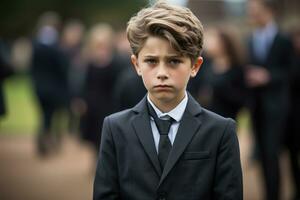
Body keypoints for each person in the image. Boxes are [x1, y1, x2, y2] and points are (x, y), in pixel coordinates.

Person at [93, 2, 243, 199]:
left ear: (195, 66)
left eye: (174, 61)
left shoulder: (221, 131)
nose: (162, 73)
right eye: (151, 61)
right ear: (136, 64)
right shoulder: (115, 128)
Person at [245, 0, 292, 199]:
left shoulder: (283, 39)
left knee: (273, 154)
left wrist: (268, 76)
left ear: (269, 11)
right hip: (256, 107)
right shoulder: (249, 39)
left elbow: (292, 72)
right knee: (262, 155)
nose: (253, 15)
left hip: (277, 106)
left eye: (256, 11)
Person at [205, 26, 246, 119]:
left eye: (213, 41)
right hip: (208, 116)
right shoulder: (206, 64)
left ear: (223, 44)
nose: (208, 45)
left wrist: (219, 89)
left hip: (228, 116)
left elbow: (242, 98)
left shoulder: (236, 67)